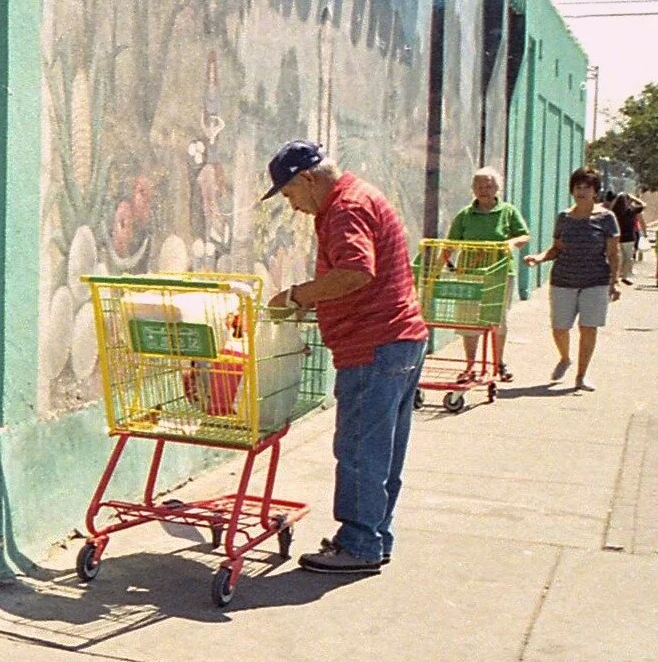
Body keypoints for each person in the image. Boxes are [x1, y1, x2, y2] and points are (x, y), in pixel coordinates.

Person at [263, 141, 431, 575]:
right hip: (398, 340)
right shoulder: (358, 196)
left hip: (373, 345)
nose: (293, 205)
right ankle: (374, 537)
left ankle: (358, 545)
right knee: (382, 451)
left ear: (308, 179)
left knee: (359, 448)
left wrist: (297, 295)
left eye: (290, 194)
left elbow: (356, 271)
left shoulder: (344, 208)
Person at [524, 167, 621, 392]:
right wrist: (538, 258)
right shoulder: (564, 217)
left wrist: (614, 282)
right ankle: (565, 358)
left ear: (595, 191)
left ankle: (581, 375)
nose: (581, 192)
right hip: (563, 279)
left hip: (595, 281)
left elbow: (613, 253)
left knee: (589, 328)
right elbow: (556, 249)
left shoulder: (607, 218)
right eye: (578, 187)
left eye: (587, 187)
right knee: (560, 327)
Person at [442, 165, 530, 383]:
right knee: (468, 320)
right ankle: (470, 365)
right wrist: (440, 266)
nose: (484, 190)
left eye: (489, 185)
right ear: (473, 189)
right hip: (470, 274)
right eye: (479, 186)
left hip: (499, 274)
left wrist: (511, 243)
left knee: (497, 319)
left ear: (497, 188)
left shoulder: (508, 212)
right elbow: (450, 243)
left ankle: (498, 363)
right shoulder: (465, 215)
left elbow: (524, 235)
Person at [607, 188, 646, 277]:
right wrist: (633, 198)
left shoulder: (614, 213)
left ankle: (617, 275)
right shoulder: (631, 211)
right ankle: (624, 275)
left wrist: (616, 199)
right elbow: (644, 205)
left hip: (618, 237)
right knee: (628, 258)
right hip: (629, 238)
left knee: (619, 257)